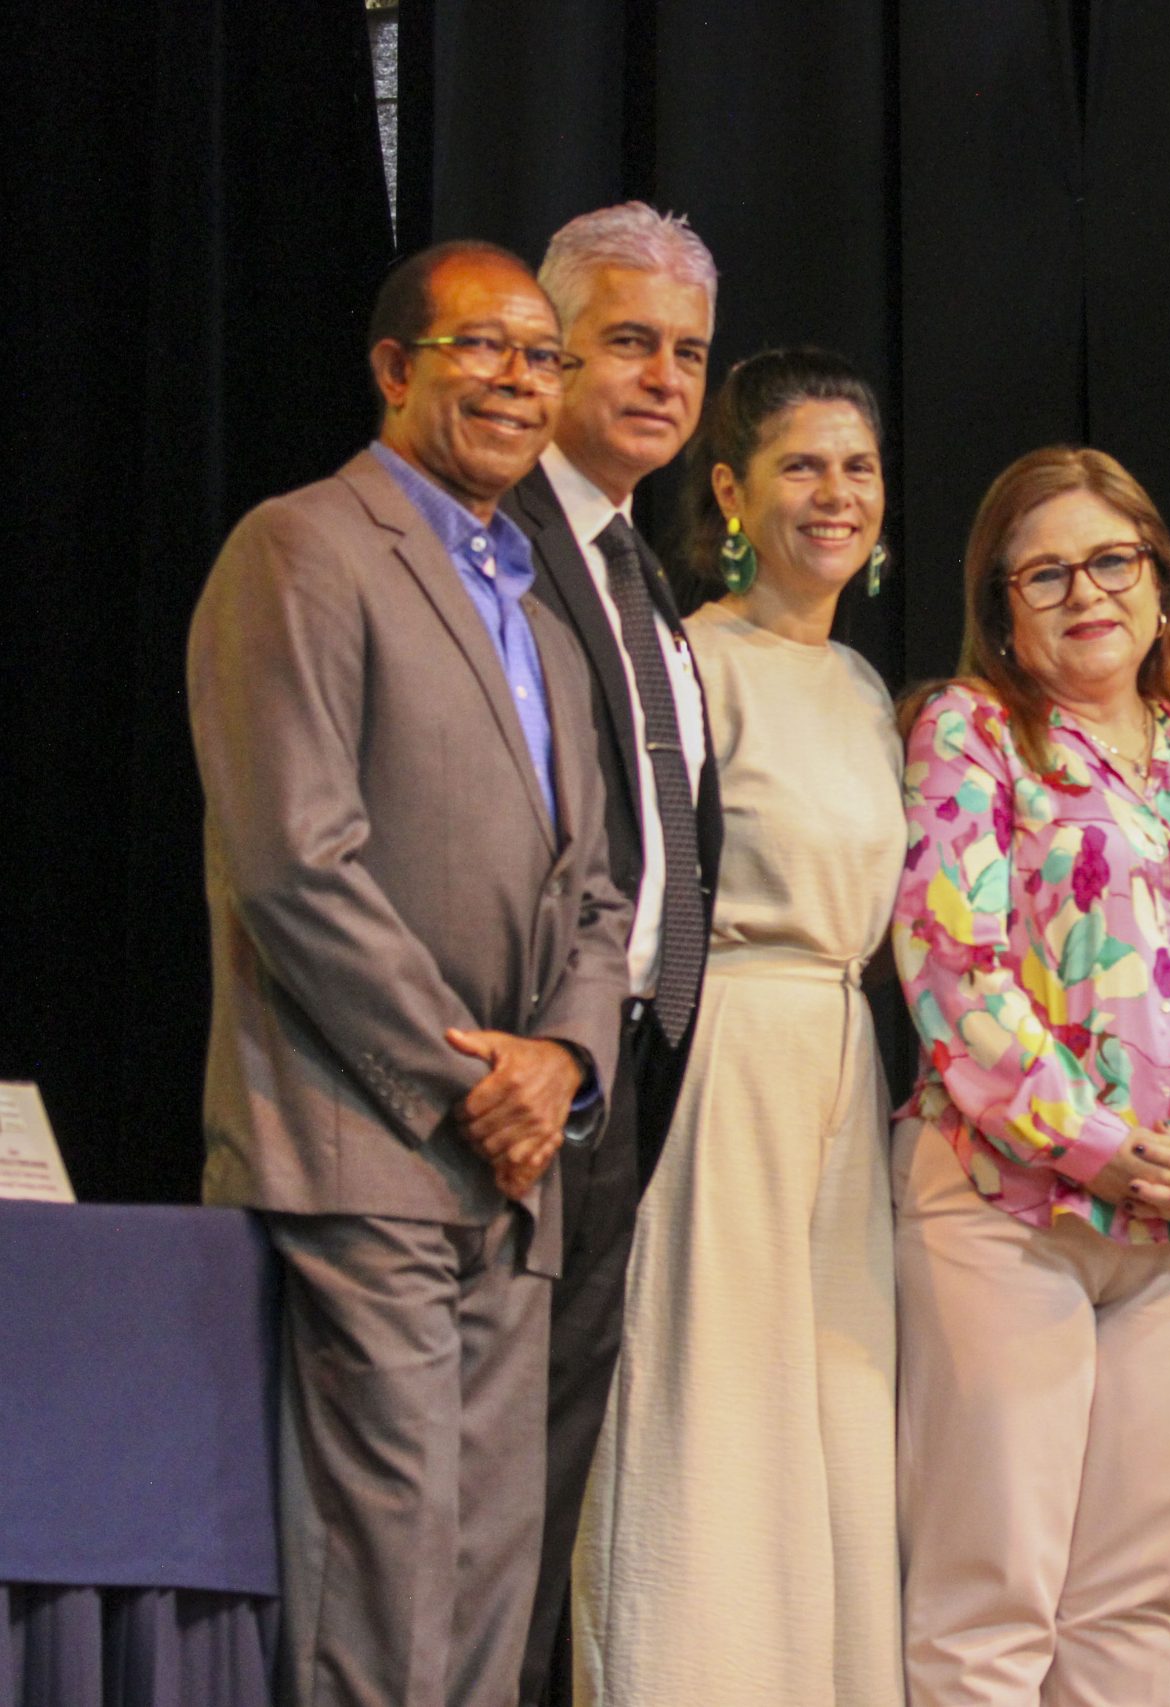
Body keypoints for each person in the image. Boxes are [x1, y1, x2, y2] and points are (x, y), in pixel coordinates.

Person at [188, 239, 629, 1706]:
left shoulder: (551, 620)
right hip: (359, 1142)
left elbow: (596, 887)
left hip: (511, 1179)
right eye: (483, 348)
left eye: (541, 355)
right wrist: (468, 1081)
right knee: (379, 1594)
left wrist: (561, 1062)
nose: (519, 379)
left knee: (489, 1590)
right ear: (394, 370)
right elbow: (295, 860)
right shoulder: (301, 547)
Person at [891, 446, 1170, 1706]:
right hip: (1009, 1211)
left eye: (1113, 560)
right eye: (1048, 572)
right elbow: (953, 969)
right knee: (993, 1597)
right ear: (1003, 608)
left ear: (1162, 583)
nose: (1089, 593)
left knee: (1136, 1602)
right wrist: (1097, 1146)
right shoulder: (969, 732)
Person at [572, 349, 905, 1704]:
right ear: (729, 489)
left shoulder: (874, 691)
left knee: (831, 1420)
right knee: (709, 1401)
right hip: (722, 1057)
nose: (837, 494)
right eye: (802, 464)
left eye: (860, 465)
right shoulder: (690, 665)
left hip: (842, 1059)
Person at [501, 200, 723, 1707]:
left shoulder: (647, 569)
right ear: (551, 349)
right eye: (630, 342)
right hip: (512, 1063)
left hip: (629, 1068)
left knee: (556, 1458)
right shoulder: (496, 542)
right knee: (479, 1475)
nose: (662, 377)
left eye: (690, 352)